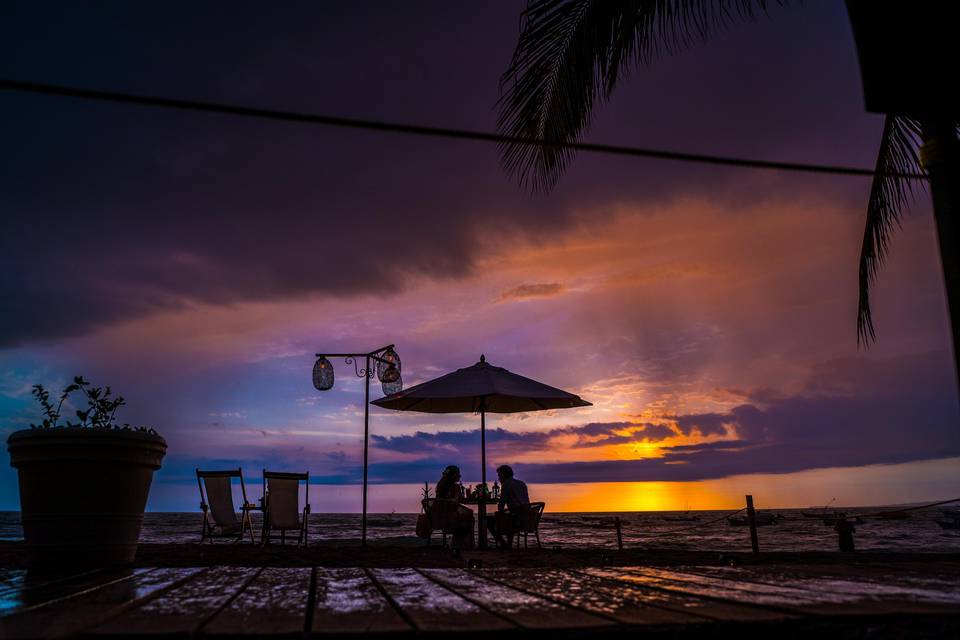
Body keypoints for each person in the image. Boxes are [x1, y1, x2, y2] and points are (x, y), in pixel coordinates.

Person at [486, 465, 529, 548]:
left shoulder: (506, 484)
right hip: (528, 517)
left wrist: (499, 513)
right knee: (509, 516)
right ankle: (508, 544)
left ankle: (503, 544)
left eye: (499, 475)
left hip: (516, 518)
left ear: (503, 475)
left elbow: (501, 504)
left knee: (489, 520)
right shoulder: (522, 483)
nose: (498, 478)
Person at [433, 465, 474, 549]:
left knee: (466, 519)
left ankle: (458, 543)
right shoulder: (455, 487)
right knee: (470, 519)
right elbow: (459, 501)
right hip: (449, 520)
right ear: (453, 476)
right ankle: (466, 545)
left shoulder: (440, 486)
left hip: (439, 519)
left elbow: (445, 502)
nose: (460, 476)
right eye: (458, 474)